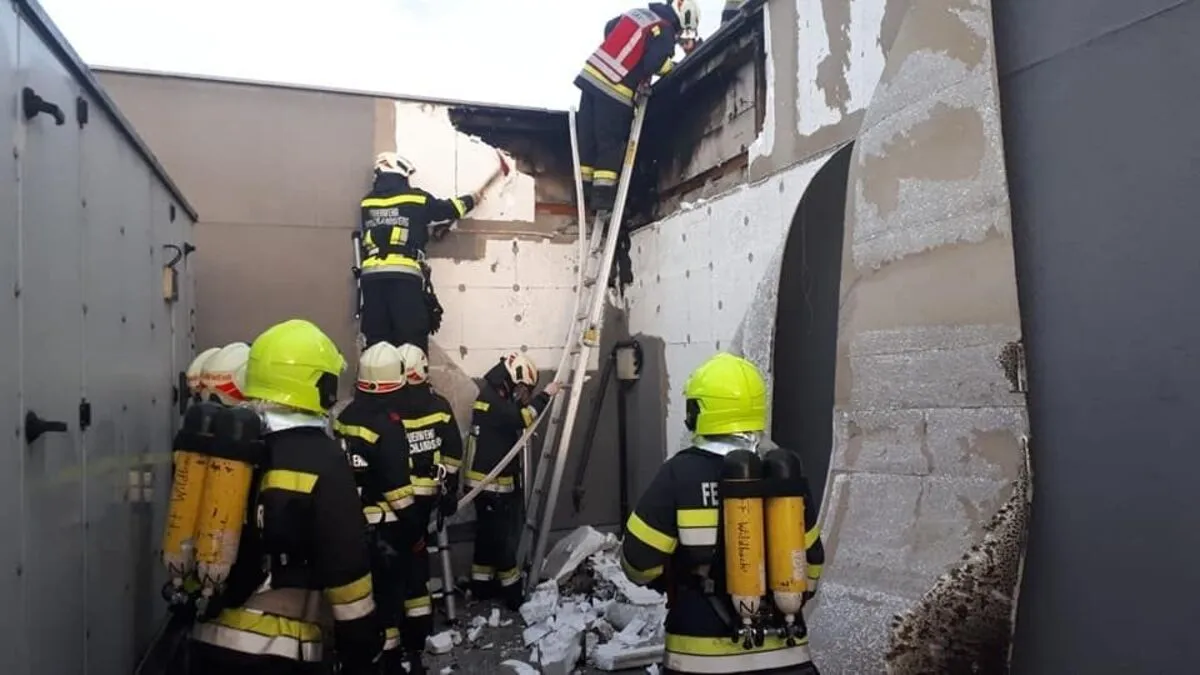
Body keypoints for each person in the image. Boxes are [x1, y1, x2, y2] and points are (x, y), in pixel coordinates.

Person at [190, 319, 383, 675]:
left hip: (205, 638)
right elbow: (347, 574)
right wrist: (364, 648)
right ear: (317, 384)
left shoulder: (230, 446)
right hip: (274, 651)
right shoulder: (322, 459)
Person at [619, 353, 825, 675]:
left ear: (696, 412)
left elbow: (637, 563)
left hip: (700, 656)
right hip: (787, 657)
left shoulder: (678, 474)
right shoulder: (786, 477)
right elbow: (811, 566)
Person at [574, 0, 700, 290]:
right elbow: (656, 63)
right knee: (611, 144)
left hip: (592, 77)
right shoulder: (665, 29)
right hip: (615, 89)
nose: (679, 39)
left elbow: (610, 28)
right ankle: (604, 203)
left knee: (590, 144)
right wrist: (673, 67)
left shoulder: (638, 15)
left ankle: (585, 192)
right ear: (683, 19)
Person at [334, 341, 428, 675]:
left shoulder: (344, 417)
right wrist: (416, 529)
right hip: (387, 531)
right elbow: (398, 491)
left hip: (349, 526)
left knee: (362, 599)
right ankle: (390, 663)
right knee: (388, 601)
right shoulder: (388, 425)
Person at [357, 151, 504, 353]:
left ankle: (378, 379)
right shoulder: (416, 199)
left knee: (378, 340)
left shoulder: (367, 202)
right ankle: (413, 384)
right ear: (400, 172)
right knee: (411, 340)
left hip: (371, 277)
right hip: (404, 276)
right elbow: (449, 209)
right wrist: (471, 199)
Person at [464, 351, 561, 609]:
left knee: (486, 539)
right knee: (502, 542)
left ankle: (482, 587)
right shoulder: (493, 401)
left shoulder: (493, 395)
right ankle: (513, 595)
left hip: (484, 484)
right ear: (515, 379)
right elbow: (522, 418)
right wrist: (546, 395)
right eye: (524, 387)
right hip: (491, 485)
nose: (524, 393)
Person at [389, 343, 464, 625]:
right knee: (416, 558)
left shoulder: (390, 409)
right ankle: (421, 622)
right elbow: (454, 451)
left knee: (400, 559)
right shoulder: (440, 406)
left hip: (397, 499)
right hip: (430, 495)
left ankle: (400, 620)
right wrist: (450, 488)